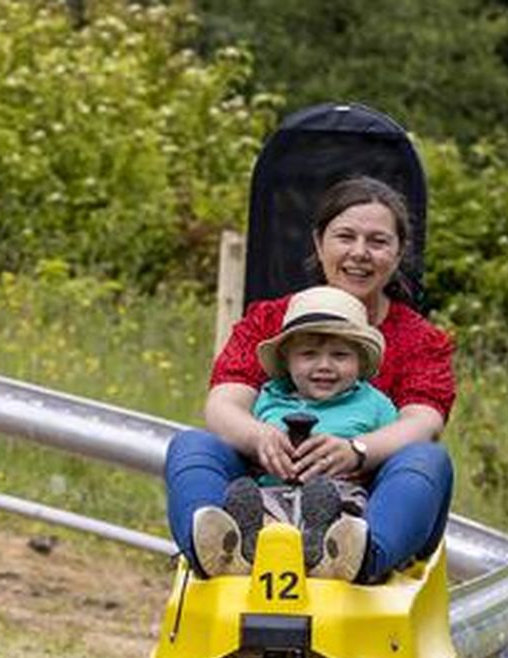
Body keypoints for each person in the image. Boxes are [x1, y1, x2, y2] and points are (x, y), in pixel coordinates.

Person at [165, 175, 455, 584]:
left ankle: (360, 557)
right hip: (268, 484)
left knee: (428, 459)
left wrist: (356, 450)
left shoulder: (421, 340)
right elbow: (223, 404)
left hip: (368, 497)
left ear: (398, 252)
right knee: (191, 445)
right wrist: (260, 438)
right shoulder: (269, 321)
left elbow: (424, 422)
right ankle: (218, 552)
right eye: (345, 237)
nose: (359, 253)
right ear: (320, 244)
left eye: (377, 241)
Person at [212, 285, 398, 579]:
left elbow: (393, 455)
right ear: (287, 361)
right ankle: (250, 546)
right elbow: (243, 445)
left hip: (342, 493)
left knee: (347, 514)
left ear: (360, 360)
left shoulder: (375, 404)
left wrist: (358, 454)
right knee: (247, 498)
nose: (324, 366)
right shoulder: (268, 399)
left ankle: (326, 548)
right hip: (273, 491)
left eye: (340, 355)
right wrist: (262, 444)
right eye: (309, 354)